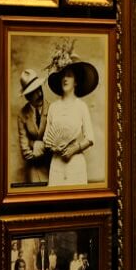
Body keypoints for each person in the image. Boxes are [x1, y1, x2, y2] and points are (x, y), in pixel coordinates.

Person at [43, 55, 98, 187]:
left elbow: (90, 138)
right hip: (57, 163)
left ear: (76, 82)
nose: (65, 79)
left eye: (69, 75)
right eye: (62, 75)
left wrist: (73, 149)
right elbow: (46, 138)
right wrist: (54, 147)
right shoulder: (53, 107)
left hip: (76, 163)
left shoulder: (81, 106)